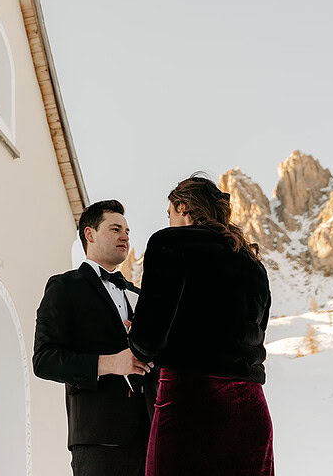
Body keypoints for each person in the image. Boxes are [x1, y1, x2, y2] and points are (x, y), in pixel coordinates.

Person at [130, 174, 274, 476]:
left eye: (169, 213)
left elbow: (148, 341)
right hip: (250, 407)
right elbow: (255, 334)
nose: (168, 221)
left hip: (190, 404)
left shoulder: (169, 243)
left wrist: (135, 334)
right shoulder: (253, 263)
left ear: (182, 207)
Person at [33, 199, 155, 476]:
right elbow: (44, 360)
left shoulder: (139, 295)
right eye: (115, 229)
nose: (125, 236)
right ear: (90, 234)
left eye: (127, 231)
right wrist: (111, 363)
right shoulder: (65, 287)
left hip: (149, 436)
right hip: (98, 439)